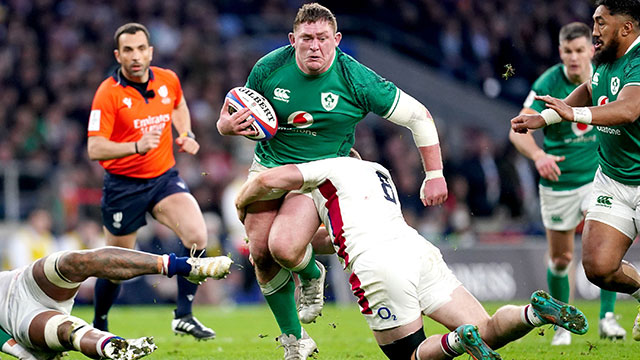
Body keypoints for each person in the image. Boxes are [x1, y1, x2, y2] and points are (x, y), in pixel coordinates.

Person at [216, 4, 447, 358]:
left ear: (336, 40)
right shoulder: (268, 67)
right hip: (268, 166)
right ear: (292, 40)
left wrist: (434, 174)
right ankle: (295, 340)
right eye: (306, 38)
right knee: (260, 252)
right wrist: (227, 127)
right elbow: (232, 117)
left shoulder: (356, 79)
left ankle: (311, 268)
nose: (315, 46)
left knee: (283, 247)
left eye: (323, 38)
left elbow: (420, 117)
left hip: (321, 175)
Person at [234, 156, 588, 360]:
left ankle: (455, 340)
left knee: (409, 357)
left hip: (378, 265)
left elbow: (269, 179)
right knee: (489, 330)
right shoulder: (379, 173)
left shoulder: (329, 168)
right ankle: (533, 313)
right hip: (417, 251)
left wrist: (242, 205)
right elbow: (334, 238)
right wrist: (303, 246)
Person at [511, 0, 640, 342]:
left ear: (626, 28)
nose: (594, 30)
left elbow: (629, 109)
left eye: (600, 23)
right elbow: (590, 89)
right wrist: (546, 118)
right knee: (598, 267)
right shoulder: (602, 59)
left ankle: (609, 317)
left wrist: (573, 116)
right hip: (612, 179)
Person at [87, 23, 216, 340]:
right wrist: (135, 146)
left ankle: (183, 315)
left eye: (141, 48)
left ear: (150, 51)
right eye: (128, 50)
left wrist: (185, 134)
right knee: (114, 267)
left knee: (198, 234)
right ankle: (100, 323)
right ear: (118, 55)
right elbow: (94, 147)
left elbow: (179, 105)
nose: (135, 56)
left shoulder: (168, 79)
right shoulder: (108, 93)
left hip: (162, 178)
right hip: (123, 186)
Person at [0, 246, 232, 360]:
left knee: (74, 261)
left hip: (21, 281)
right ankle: (116, 346)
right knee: (67, 331)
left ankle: (186, 266)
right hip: (18, 319)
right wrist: (24, 354)